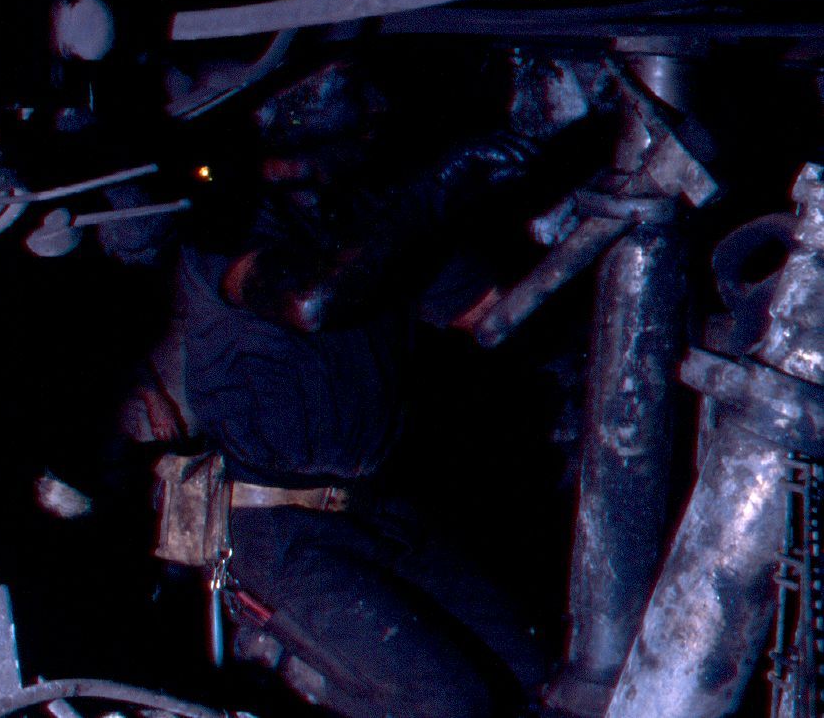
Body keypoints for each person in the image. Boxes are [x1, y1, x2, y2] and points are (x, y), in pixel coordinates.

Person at [134, 54, 611, 717]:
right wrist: (436, 190)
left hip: (375, 513)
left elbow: (495, 315)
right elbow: (309, 300)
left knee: (538, 678)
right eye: (355, 95)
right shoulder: (226, 228)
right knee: (445, 703)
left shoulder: (375, 220)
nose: (378, 113)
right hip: (274, 529)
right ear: (290, 124)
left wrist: (580, 216)